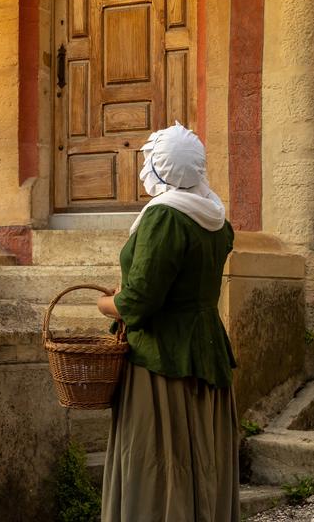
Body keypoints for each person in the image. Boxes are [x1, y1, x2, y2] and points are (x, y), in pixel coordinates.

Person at [96, 123, 239, 522]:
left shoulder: (165, 216)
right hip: (205, 353)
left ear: (161, 168)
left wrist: (107, 303)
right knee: (198, 459)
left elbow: (141, 302)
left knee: (158, 463)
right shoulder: (215, 217)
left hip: (161, 362)